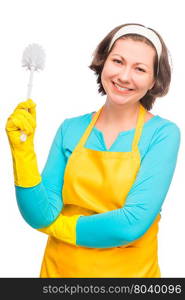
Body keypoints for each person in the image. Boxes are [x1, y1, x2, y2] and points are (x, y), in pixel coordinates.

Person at [6, 23, 181, 278]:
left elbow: (132, 223)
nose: (124, 76)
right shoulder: (70, 129)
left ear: (154, 79)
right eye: (118, 61)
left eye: (140, 69)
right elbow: (40, 213)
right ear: (103, 62)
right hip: (58, 274)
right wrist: (21, 150)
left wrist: (54, 226)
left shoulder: (163, 134)